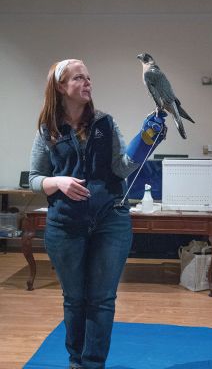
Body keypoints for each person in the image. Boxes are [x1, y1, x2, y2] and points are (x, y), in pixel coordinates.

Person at [29, 58, 167, 369]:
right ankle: (76, 361)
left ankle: (92, 365)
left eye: (89, 77)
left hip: (110, 221)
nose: (88, 82)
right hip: (65, 226)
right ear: (61, 87)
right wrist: (59, 181)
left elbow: (123, 167)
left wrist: (147, 139)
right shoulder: (46, 129)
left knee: (102, 301)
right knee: (75, 299)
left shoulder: (105, 123)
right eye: (79, 78)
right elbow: (34, 178)